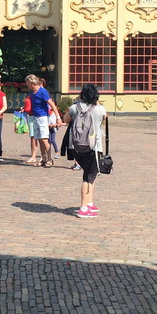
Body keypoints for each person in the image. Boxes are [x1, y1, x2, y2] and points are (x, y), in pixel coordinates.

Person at [62, 83, 107, 219]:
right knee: (89, 176)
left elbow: (65, 119)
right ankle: (83, 207)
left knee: (89, 174)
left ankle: (89, 202)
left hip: (76, 146)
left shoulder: (74, 107)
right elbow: (105, 117)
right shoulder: (99, 109)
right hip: (93, 146)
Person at [25, 74, 55, 167]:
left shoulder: (42, 91)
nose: (27, 84)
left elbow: (51, 104)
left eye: (27, 82)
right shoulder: (33, 92)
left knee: (44, 139)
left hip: (42, 117)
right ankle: (43, 158)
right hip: (35, 117)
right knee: (39, 138)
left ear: (32, 82)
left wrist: (57, 118)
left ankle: (50, 158)